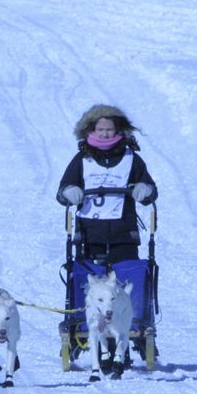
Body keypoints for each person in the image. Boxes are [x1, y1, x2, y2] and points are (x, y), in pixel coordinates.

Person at [57, 104, 158, 340]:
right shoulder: (82, 159)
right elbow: (62, 192)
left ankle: (132, 322)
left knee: (125, 283)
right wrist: (70, 192)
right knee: (89, 282)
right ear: (91, 129)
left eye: (109, 129)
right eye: (100, 129)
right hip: (89, 234)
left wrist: (144, 189)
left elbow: (150, 192)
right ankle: (84, 322)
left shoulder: (132, 159)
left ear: (118, 130)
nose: (104, 134)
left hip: (124, 232)